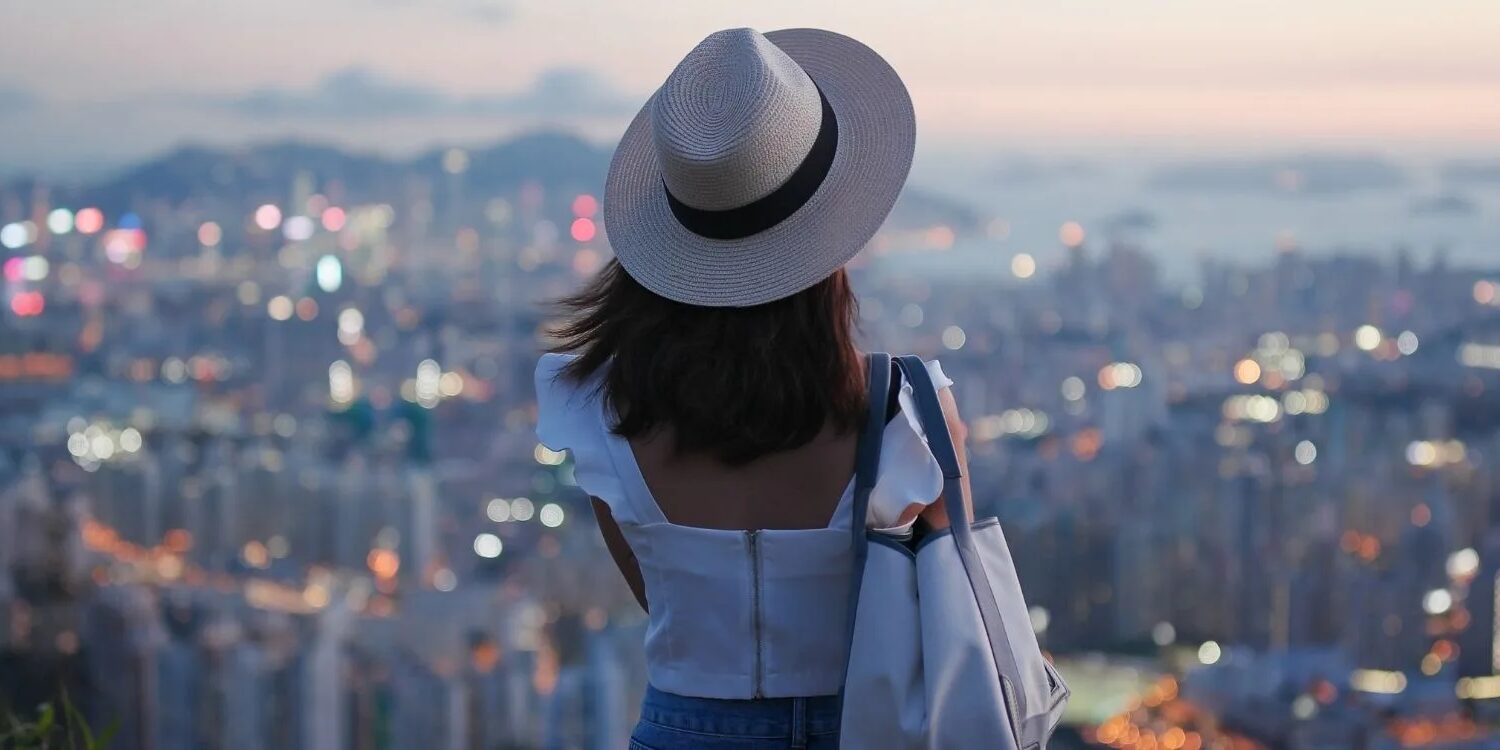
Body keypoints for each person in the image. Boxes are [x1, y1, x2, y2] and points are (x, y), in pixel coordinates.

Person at [535, 27, 969, 749]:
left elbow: (658, 599)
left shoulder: (597, 410)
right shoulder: (910, 414)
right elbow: (945, 609)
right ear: (832, 235)